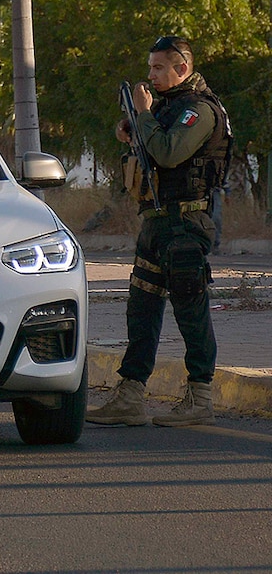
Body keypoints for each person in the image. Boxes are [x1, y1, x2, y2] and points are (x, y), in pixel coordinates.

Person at [87, 36, 232, 428]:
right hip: (155, 222)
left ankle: (200, 397)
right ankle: (130, 395)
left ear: (181, 68)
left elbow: (169, 152)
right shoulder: (169, 108)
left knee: (190, 310)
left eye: (158, 67)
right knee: (142, 310)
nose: (150, 75)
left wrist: (144, 115)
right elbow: (151, 148)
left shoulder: (199, 110)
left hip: (186, 224)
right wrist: (131, 127)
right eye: (150, 67)